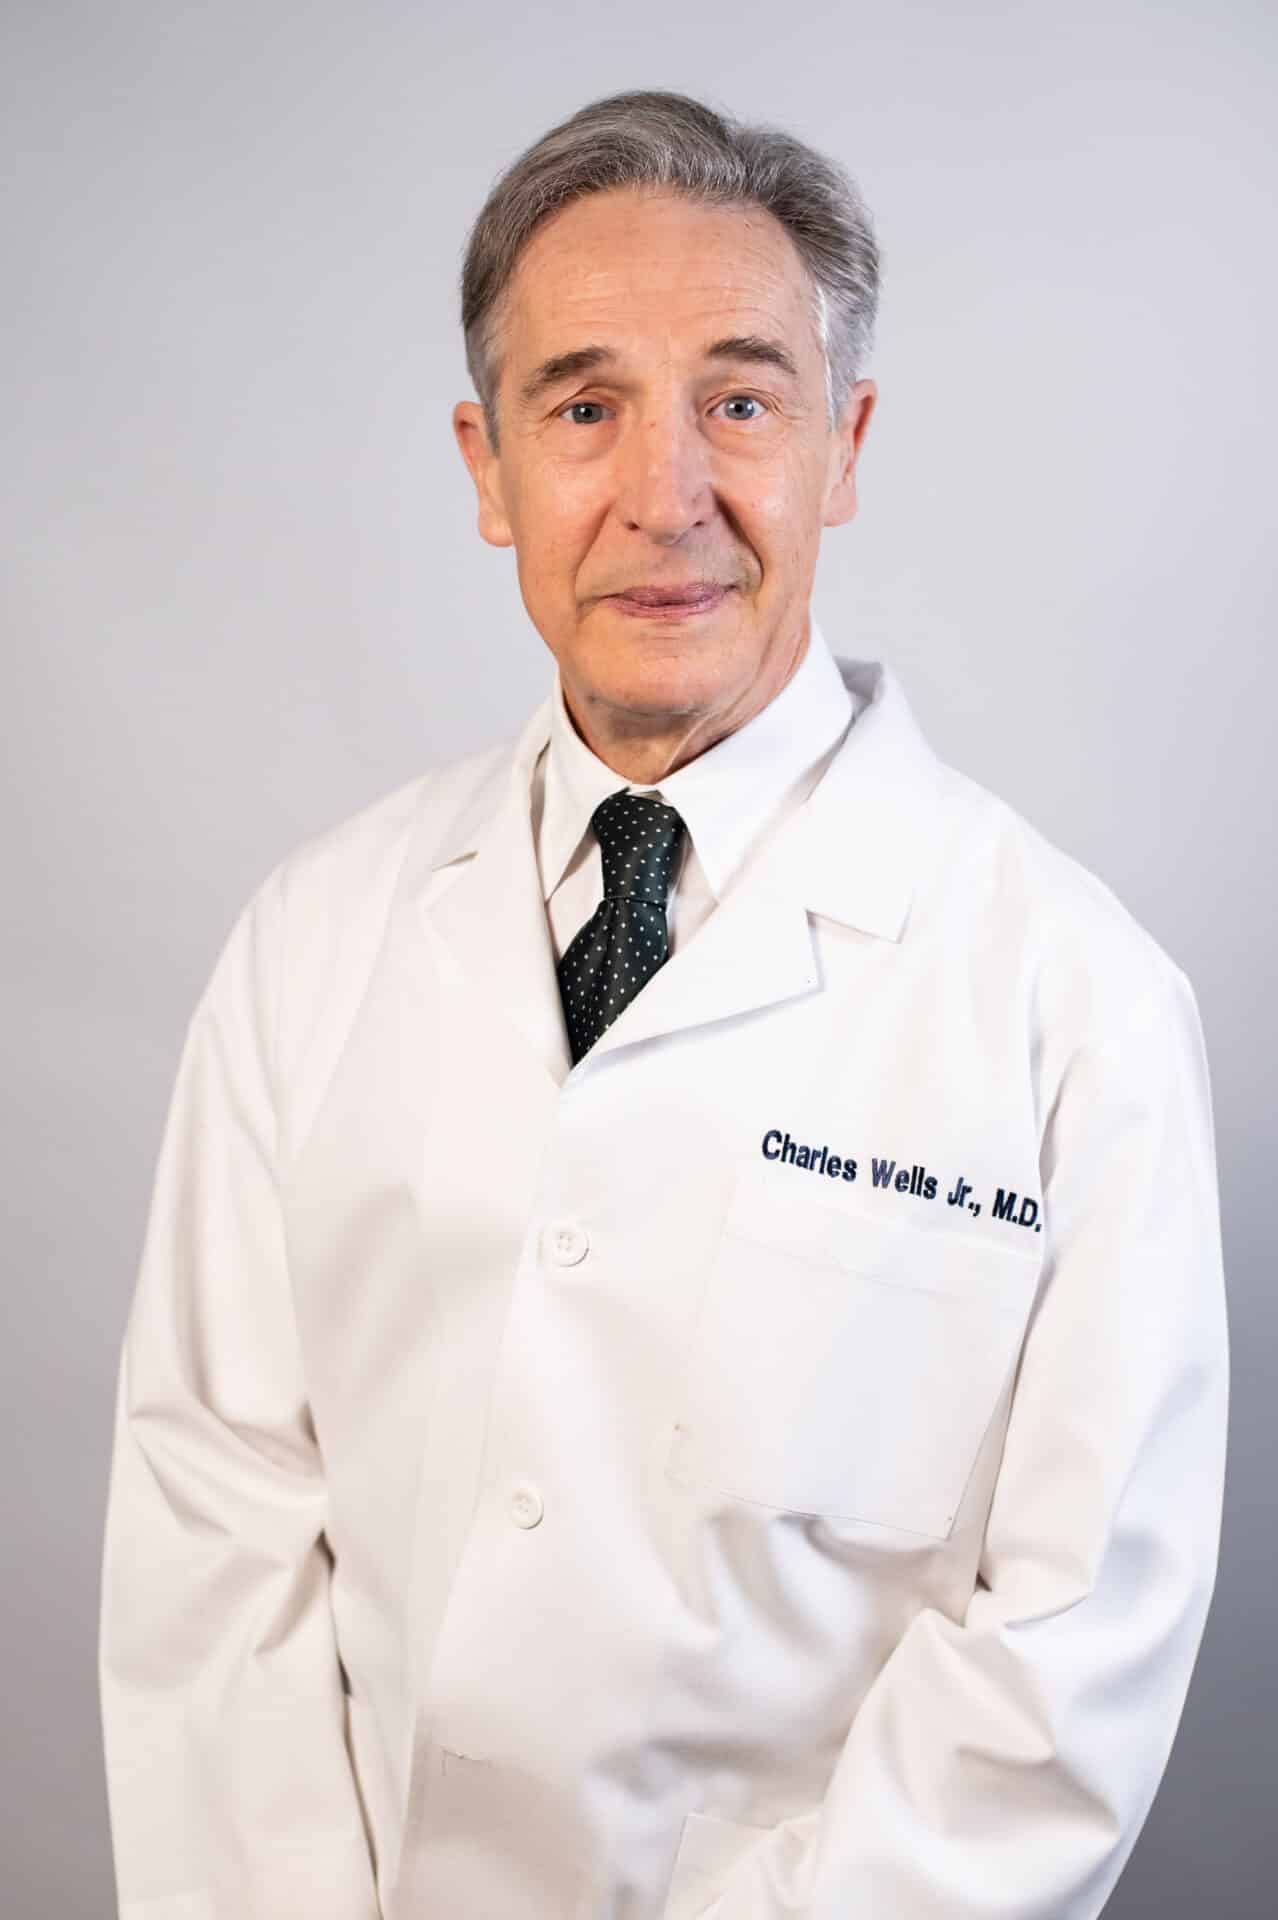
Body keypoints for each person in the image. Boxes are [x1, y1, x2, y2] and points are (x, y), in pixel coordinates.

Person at [97, 88, 1228, 1920]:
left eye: (740, 399)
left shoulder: (1069, 998)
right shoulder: (315, 941)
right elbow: (214, 1537)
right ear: (486, 468)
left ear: (841, 443)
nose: (665, 495)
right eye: (584, 406)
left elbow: (1064, 1657)